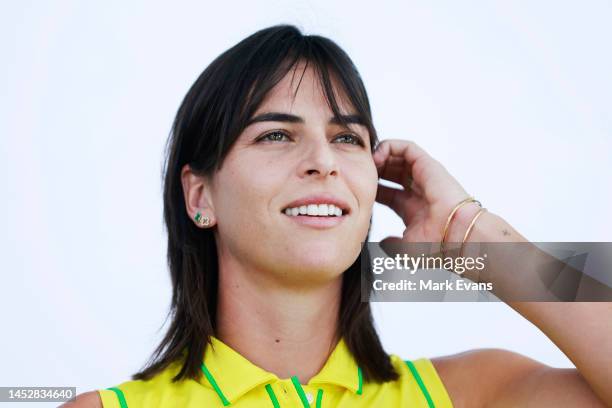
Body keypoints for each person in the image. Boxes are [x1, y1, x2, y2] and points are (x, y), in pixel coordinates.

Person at [64, 25, 610, 407]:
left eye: (346, 138)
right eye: (277, 134)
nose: (323, 162)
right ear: (199, 196)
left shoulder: (469, 393)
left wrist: (474, 236)